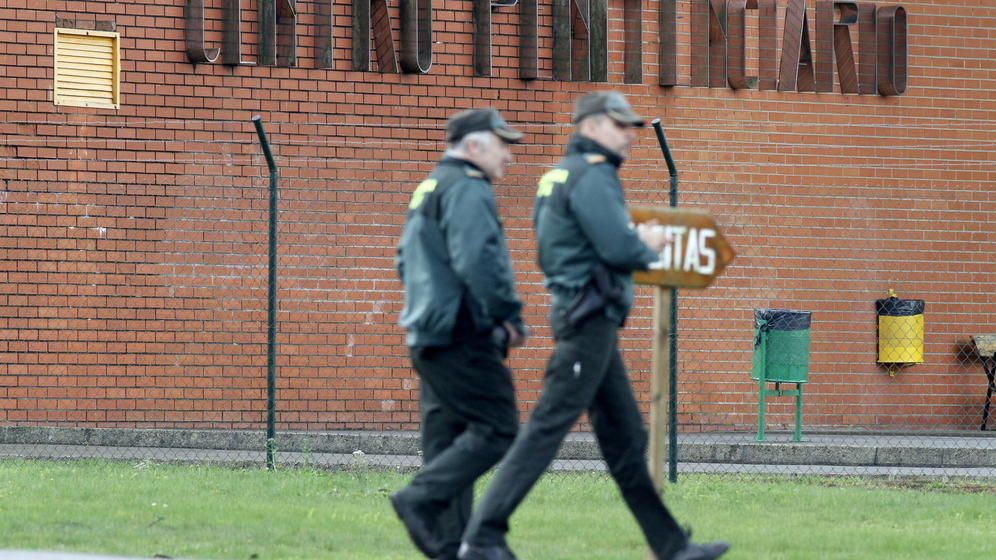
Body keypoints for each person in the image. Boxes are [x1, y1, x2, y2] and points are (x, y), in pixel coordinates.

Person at [458, 92, 731, 560]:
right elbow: (620, 248)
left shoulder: (558, 176)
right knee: (547, 428)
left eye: (631, 127)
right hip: (589, 322)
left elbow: (560, 248)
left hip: (584, 318)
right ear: (589, 127)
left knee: (626, 440)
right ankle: (482, 536)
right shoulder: (594, 175)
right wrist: (645, 241)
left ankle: (670, 545)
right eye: (618, 125)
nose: (628, 135)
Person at [392, 108, 529, 560]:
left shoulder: (429, 187)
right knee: (498, 426)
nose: (508, 156)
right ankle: (420, 498)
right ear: (474, 146)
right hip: (462, 335)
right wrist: (506, 314)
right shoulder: (469, 188)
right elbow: (478, 260)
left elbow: (403, 261)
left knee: (446, 442)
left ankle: (451, 547)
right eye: (501, 144)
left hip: (427, 334)